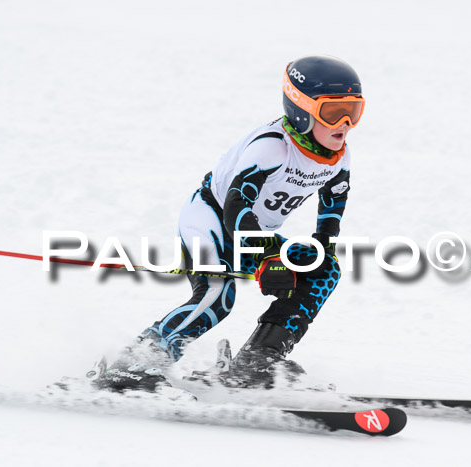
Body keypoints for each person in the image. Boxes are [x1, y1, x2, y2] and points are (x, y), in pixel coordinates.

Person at [96, 55, 365, 391]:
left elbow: (333, 202)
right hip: (210, 217)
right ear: (301, 109)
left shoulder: (340, 157)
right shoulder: (272, 147)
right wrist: (267, 256)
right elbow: (236, 205)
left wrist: (321, 249)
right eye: (331, 112)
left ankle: (258, 359)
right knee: (217, 296)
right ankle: (138, 361)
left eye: (353, 112)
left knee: (325, 269)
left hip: (254, 233)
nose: (344, 123)